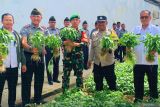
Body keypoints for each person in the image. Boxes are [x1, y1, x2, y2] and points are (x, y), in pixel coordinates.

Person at [20, 8, 46, 106]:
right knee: (26, 80)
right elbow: (23, 43)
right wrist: (31, 49)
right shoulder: (25, 28)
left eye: (38, 16)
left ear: (41, 18)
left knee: (39, 80)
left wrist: (44, 49)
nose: (36, 18)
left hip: (40, 58)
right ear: (30, 17)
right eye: (34, 16)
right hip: (28, 57)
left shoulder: (44, 29)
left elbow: (46, 42)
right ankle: (26, 102)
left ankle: (37, 100)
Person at [133, 10, 160, 103]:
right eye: (142, 17)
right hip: (138, 61)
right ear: (140, 18)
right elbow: (131, 43)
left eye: (146, 17)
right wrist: (128, 48)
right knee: (138, 82)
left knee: (152, 82)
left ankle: (153, 100)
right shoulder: (135, 29)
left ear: (150, 18)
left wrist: (155, 49)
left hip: (151, 62)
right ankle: (138, 99)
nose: (144, 19)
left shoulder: (156, 29)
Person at [0, 13, 26, 107]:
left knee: (12, 89)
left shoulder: (17, 35)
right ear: (2, 21)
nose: (8, 22)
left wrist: (23, 63)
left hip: (14, 67)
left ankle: (11, 105)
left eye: (10, 20)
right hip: (1, 67)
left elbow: (21, 50)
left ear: (13, 22)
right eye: (6, 20)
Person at [88, 16, 117, 91]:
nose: (101, 24)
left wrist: (109, 48)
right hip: (98, 63)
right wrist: (90, 59)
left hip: (108, 62)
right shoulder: (94, 34)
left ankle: (113, 97)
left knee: (111, 82)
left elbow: (116, 45)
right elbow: (92, 48)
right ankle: (99, 98)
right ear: (97, 23)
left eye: (103, 22)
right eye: (99, 22)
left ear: (106, 23)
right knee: (98, 82)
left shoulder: (111, 32)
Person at [61, 14, 85, 92]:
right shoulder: (65, 31)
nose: (75, 21)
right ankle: (65, 92)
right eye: (73, 20)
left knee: (79, 75)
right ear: (70, 21)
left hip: (78, 57)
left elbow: (85, 43)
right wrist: (66, 42)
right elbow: (60, 42)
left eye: (76, 20)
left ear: (79, 21)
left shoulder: (82, 32)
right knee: (66, 75)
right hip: (67, 57)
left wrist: (73, 44)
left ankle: (79, 92)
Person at [45, 16, 60, 85]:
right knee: (49, 65)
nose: (52, 23)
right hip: (48, 49)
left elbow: (60, 40)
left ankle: (55, 78)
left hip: (57, 49)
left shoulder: (58, 30)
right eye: (51, 22)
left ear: (55, 23)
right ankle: (50, 79)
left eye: (54, 22)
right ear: (49, 23)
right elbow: (44, 41)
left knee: (56, 64)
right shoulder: (46, 31)